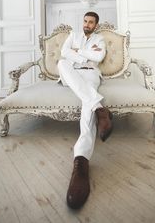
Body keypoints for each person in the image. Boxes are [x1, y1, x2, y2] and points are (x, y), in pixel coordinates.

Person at [57, 11, 113, 209]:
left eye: (91, 22)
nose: (87, 24)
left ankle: (81, 162)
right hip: (71, 73)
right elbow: (64, 52)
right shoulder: (73, 35)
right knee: (61, 63)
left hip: (90, 75)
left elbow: (99, 56)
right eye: (85, 21)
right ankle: (100, 108)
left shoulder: (100, 39)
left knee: (86, 106)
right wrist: (84, 55)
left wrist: (77, 52)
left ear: (96, 25)